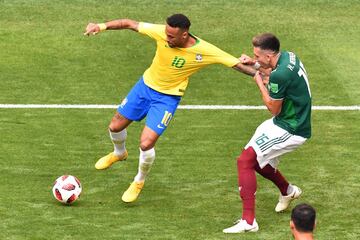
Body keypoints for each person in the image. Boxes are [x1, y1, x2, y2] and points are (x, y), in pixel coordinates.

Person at [84, 14, 256, 203]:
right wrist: (100, 26)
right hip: (144, 88)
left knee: (146, 143)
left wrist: (266, 77)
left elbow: (238, 65)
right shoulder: (162, 33)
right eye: (166, 34)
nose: (167, 38)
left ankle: (138, 181)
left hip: (167, 99)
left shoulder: (205, 50)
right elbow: (129, 23)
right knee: (115, 126)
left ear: (184, 35)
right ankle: (119, 153)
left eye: (172, 36)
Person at [223, 33, 312, 233]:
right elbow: (272, 69)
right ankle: (288, 191)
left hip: (291, 128)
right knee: (255, 162)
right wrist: (255, 64)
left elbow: (273, 108)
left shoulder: (280, 75)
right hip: (286, 121)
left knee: (244, 161)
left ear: (270, 56)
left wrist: (258, 81)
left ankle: (249, 222)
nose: (255, 58)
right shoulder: (289, 56)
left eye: (257, 55)